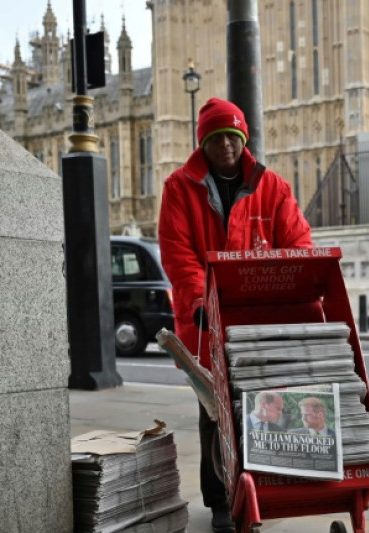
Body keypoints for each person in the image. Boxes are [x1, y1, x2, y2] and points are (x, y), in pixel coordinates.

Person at [158, 97, 312, 533]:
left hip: (258, 324)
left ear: (243, 139)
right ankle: (221, 500)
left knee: (265, 407)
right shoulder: (179, 187)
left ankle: (261, 489)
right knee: (215, 413)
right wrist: (198, 300)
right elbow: (178, 254)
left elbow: (298, 244)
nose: (226, 144)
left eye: (233, 136)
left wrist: (292, 289)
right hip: (207, 325)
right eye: (216, 137)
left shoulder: (273, 187)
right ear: (202, 142)